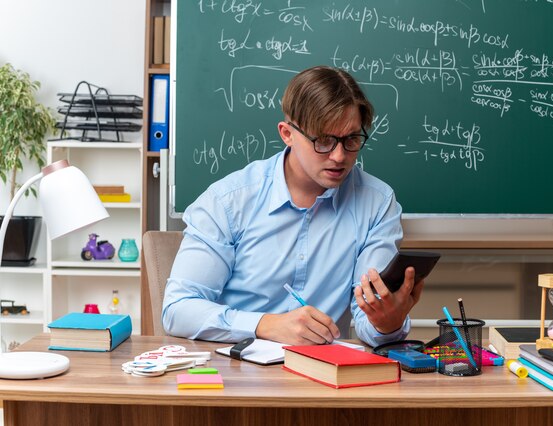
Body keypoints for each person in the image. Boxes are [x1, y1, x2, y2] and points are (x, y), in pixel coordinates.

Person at [162, 65, 424, 347]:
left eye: (351, 139)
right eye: (323, 140)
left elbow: (368, 322)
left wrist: (386, 323)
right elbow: (178, 310)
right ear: (287, 133)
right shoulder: (228, 201)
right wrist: (266, 325)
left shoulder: (376, 202)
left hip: (323, 376)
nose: (339, 156)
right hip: (236, 373)